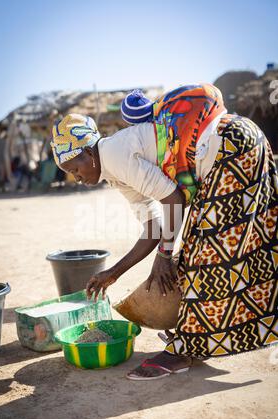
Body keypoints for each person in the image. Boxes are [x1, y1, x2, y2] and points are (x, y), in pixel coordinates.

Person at [51, 83, 278, 380]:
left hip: (231, 147)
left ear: (87, 154)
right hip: (235, 147)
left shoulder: (115, 153)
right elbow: (154, 227)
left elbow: (173, 199)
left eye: (75, 168)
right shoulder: (114, 174)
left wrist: (165, 255)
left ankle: (183, 350)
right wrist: (114, 272)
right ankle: (191, 336)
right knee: (202, 251)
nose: (77, 178)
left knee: (205, 255)